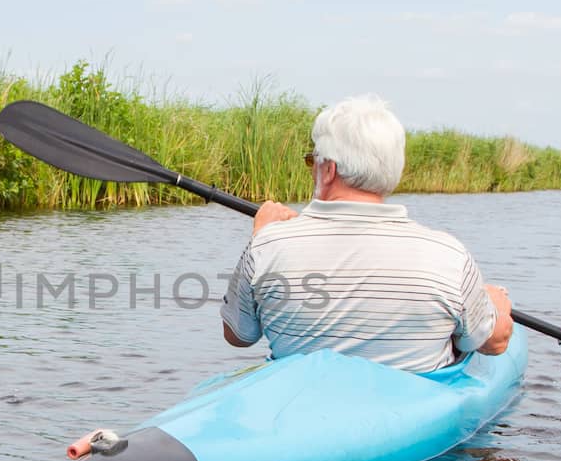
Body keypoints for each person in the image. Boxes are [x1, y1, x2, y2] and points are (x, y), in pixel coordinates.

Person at [220, 95, 513, 372]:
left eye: (312, 161)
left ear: (329, 170)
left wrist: (260, 236)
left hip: (302, 409)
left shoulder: (268, 245)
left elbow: (238, 336)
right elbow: (495, 343)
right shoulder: (450, 255)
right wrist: (495, 302)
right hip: (407, 410)